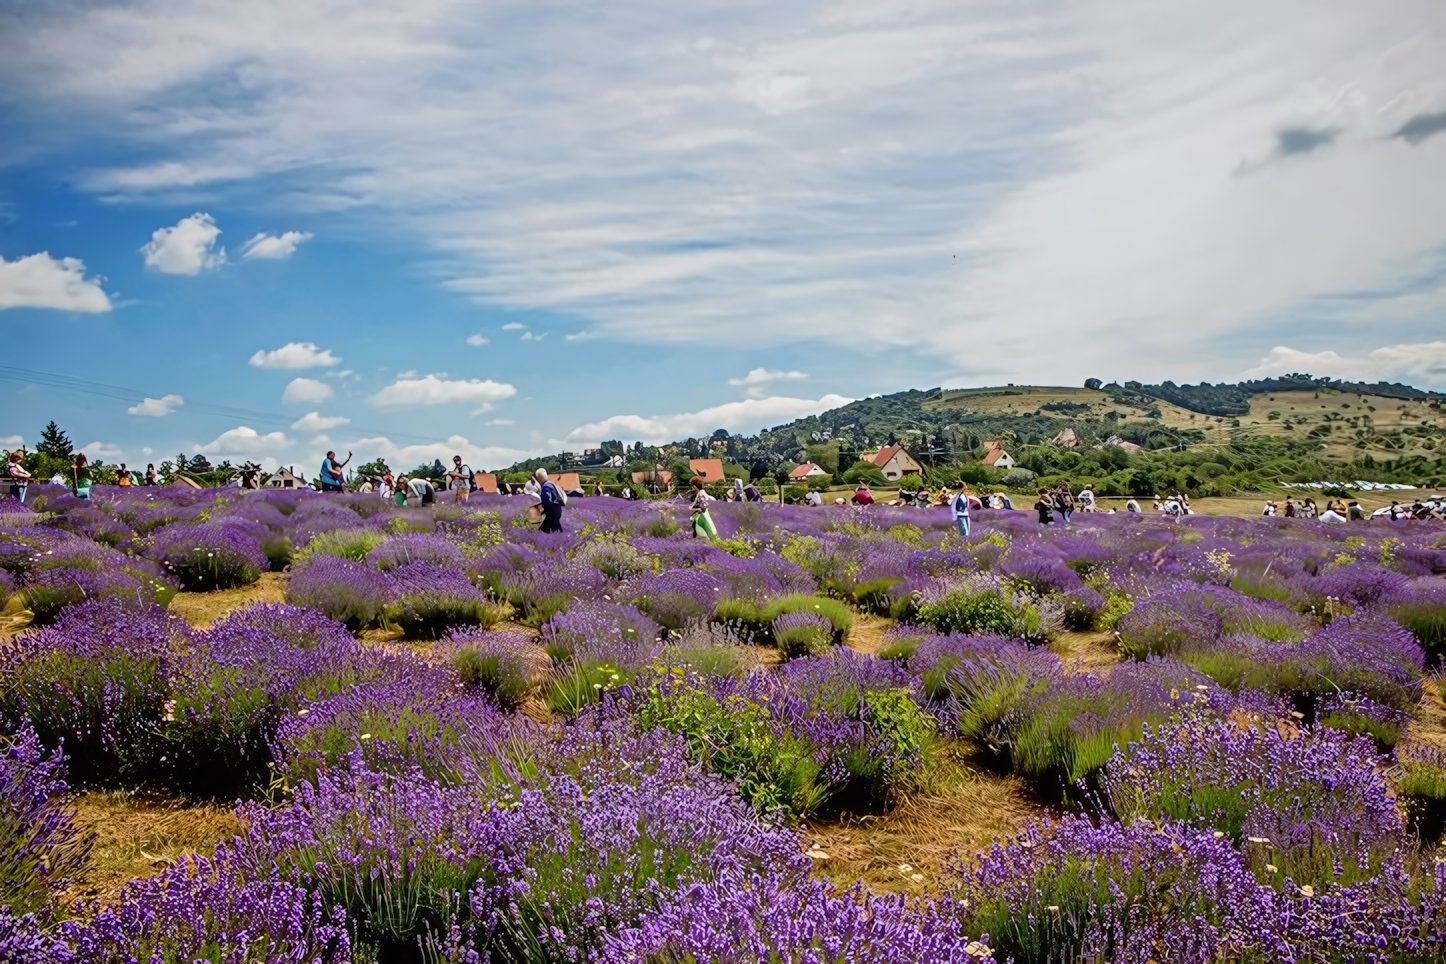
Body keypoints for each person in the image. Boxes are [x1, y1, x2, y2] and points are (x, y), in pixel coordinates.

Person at [536, 468, 566, 533]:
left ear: (539, 478)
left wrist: (541, 509)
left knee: (544, 530)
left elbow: (547, 502)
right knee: (556, 528)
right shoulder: (551, 484)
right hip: (557, 510)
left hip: (552, 512)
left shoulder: (546, 487)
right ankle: (563, 540)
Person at [688, 476, 717, 541]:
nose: (692, 487)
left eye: (692, 485)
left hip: (703, 516)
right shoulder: (701, 493)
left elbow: (701, 506)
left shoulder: (701, 494)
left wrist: (694, 511)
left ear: (695, 486)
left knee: (710, 534)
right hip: (703, 515)